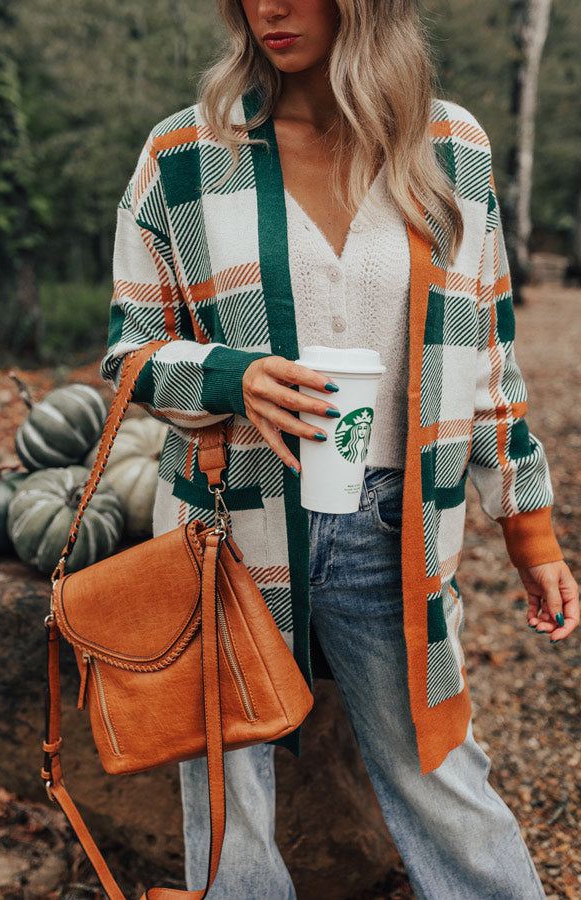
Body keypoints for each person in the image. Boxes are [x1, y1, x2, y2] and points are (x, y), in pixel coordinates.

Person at [101, 1, 580, 896]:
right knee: (225, 788)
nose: (269, 7)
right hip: (225, 529)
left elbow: (489, 358)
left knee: (442, 772)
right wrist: (229, 378)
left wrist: (532, 533)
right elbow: (130, 356)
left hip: (393, 528)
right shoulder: (183, 155)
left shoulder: (452, 148)